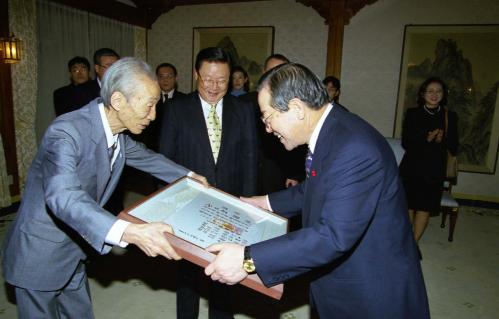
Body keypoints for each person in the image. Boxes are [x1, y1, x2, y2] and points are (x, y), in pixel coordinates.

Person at [204, 63, 430, 318]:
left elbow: (332, 236)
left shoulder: (354, 149)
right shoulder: (333, 129)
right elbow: (315, 188)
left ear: (297, 108)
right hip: (340, 278)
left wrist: (248, 259)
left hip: (370, 289)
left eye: (268, 117)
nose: (267, 128)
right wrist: (265, 202)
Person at [1, 57, 207, 319]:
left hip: (75, 246)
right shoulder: (66, 132)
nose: (153, 116)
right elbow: (63, 196)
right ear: (119, 101)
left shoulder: (116, 132)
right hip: (39, 253)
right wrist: (130, 231)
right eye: (149, 106)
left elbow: (147, 158)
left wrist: (190, 176)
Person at [159, 47, 257, 319]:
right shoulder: (176, 109)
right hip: (188, 205)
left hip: (230, 205)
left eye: (222, 80)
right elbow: (165, 161)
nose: (214, 87)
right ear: (195, 75)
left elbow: (250, 159)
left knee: (224, 273)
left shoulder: (244, 110)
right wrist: (166, 208)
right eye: (207, 79)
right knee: (187, 274)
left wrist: (248, 206)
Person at [399, 77, 458, 255]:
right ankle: (409, 237)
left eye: (438, 91)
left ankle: (413, 244)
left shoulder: (450, 116)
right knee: (408, 205)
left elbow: (455, 146)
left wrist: (442, 139)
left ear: (443, 95)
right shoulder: (413, 113)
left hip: (434, 169)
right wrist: (426, 138)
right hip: (412, 167)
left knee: (424, 206)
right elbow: (406, 143)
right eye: (430, 91)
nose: (434, 95)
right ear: (423, 94)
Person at [240, 53, 307, 194]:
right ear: (264, 72)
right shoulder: (244, 102)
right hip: (247, 170)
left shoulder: (295, 106)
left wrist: (294, 174)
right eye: (270, 71)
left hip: (278, 172)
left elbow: (300, 144)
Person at [137, 62, 185, 152]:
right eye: (161, 76)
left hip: (178, 150)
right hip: (151, 150)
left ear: (176, 78)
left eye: (169, 76)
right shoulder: (148, 101)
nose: (165, 80)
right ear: (156, 79)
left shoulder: (185, 101)